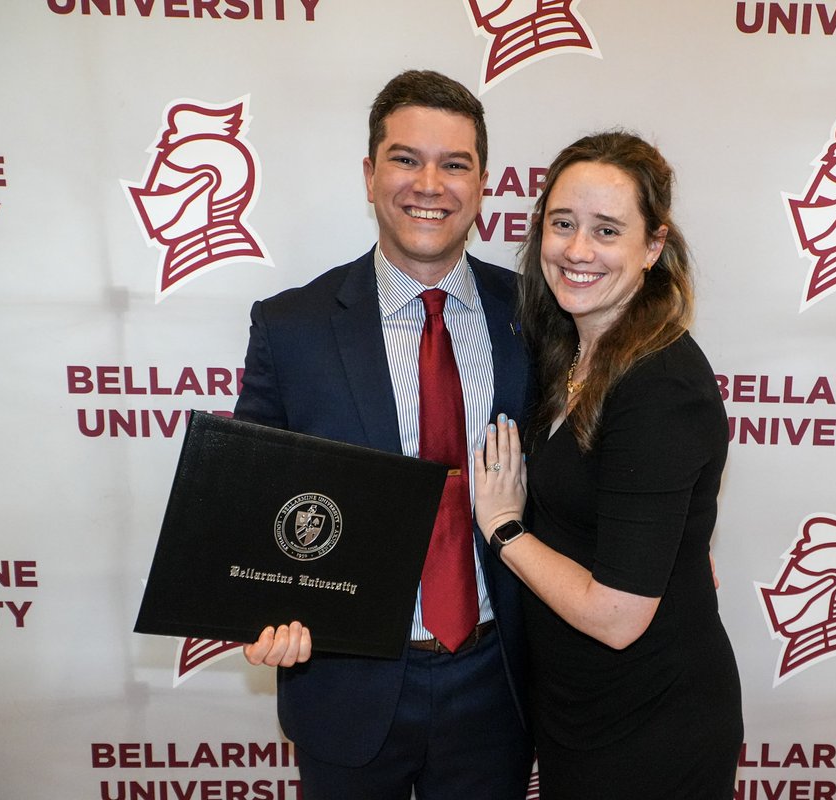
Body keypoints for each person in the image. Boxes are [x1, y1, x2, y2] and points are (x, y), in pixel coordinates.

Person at [234, 70, 534, 800]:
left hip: (499, 683)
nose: (429, 183)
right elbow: (250, 499)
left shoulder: (539, 316)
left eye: (454, 163)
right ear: (370, 175)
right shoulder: (292, 327)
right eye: (405, 159)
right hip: (344, 682)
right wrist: (262, 606)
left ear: (483, 182)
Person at [474, 130, 743, 799]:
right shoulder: (570, 344)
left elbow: (619, 616)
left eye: (607, 230)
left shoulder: (662, 386)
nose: (578, 250)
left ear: (653, 246)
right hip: (579, 710)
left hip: (651, 724)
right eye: (562, 224)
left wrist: (505, 528)